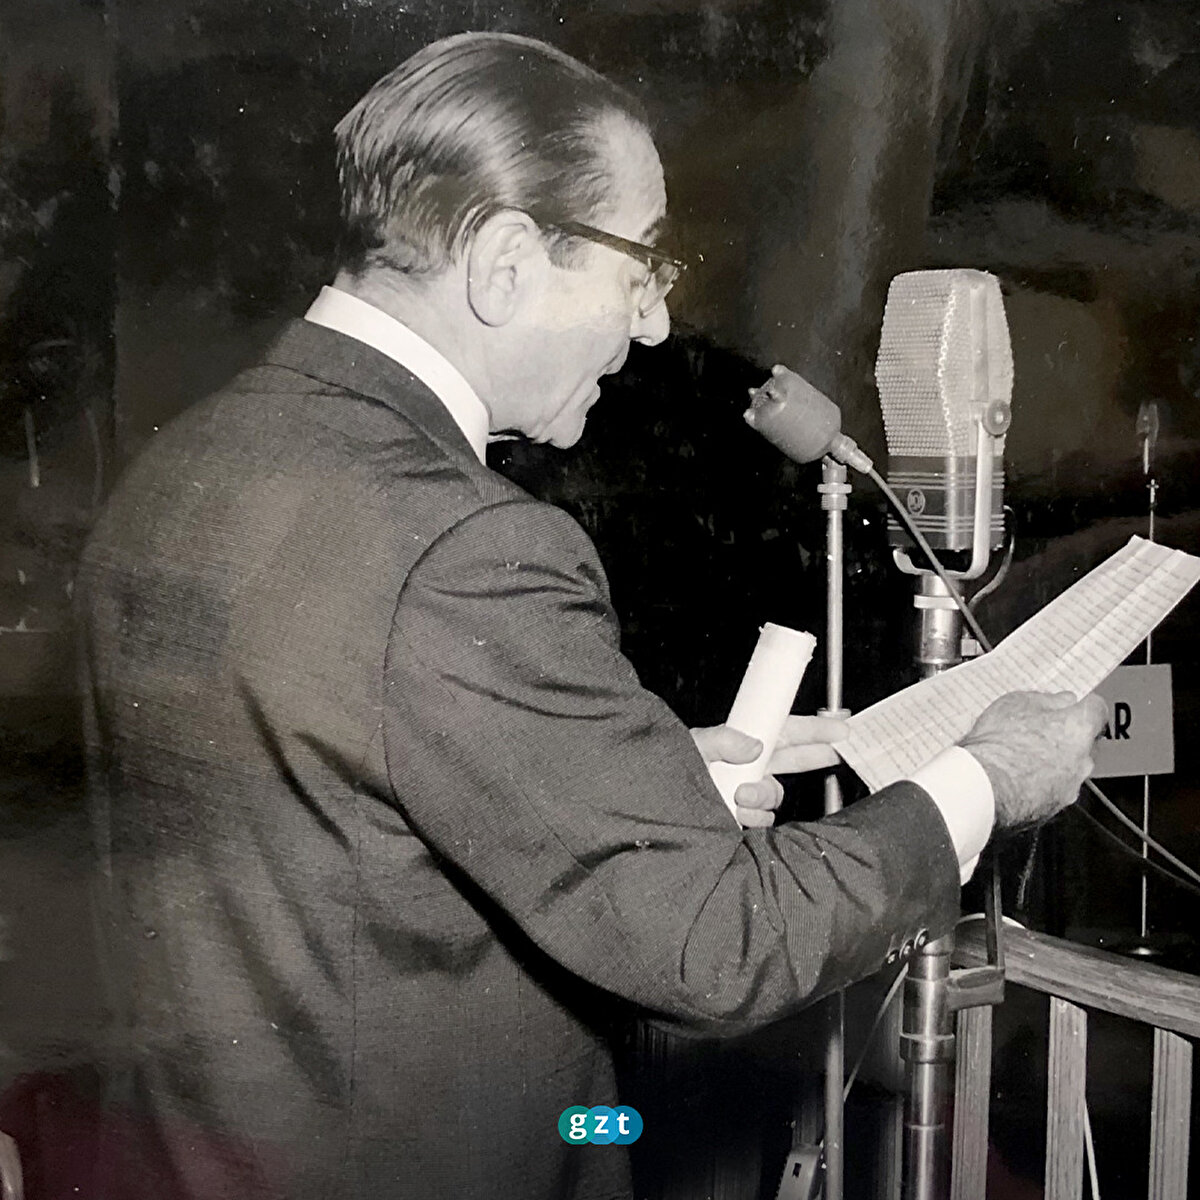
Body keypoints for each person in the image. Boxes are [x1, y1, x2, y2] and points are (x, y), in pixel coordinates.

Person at [76, 31, 1106, 1200]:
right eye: (641, 265)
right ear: (506, 260)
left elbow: (333, 826)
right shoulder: (466, 543)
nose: (654, 325)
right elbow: (721, 946)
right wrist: (987, 777)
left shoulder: (185, 465)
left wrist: (635, 778)